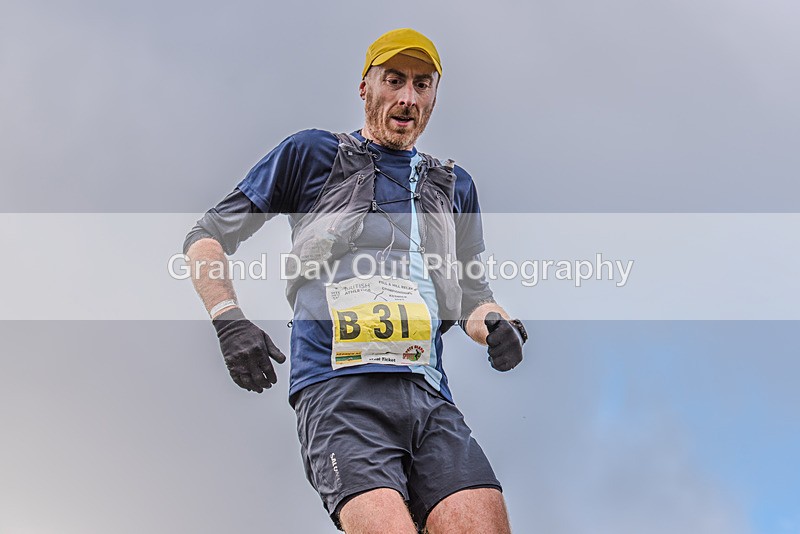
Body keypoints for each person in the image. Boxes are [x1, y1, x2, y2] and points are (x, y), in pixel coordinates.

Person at [183, 28, 528, 534]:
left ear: (434, 97)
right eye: (394, 80)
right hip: (340, 393)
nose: (408, 97)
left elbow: (474, 298)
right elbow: (206, 236)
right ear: (365, 87)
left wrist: (499, 326)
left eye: (422, 84)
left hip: (428, 397)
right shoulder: (312, 154)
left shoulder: (455, 186)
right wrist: (227, 320)